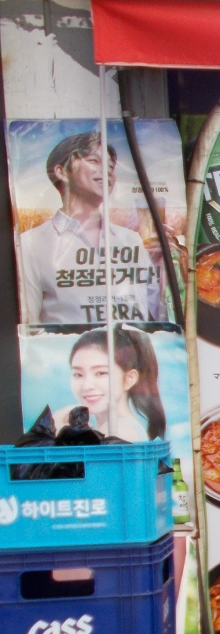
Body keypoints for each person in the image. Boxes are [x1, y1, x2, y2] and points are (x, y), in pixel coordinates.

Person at [18, 130, 165, 325]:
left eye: (111, 167)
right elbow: (29, 325)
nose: (107, 172)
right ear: (61, 171)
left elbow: (157, 317)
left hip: (132, 343)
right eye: (94, 161)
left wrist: (159, 265)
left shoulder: (131, 239)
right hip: (68, 345)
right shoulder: (31, 243)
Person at [53, 328, 166, 443]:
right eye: (78, 374)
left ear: (129, 379)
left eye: (101, 373)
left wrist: (58, 434)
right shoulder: (112, 428)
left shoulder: (116, 429)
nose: (86, 386)